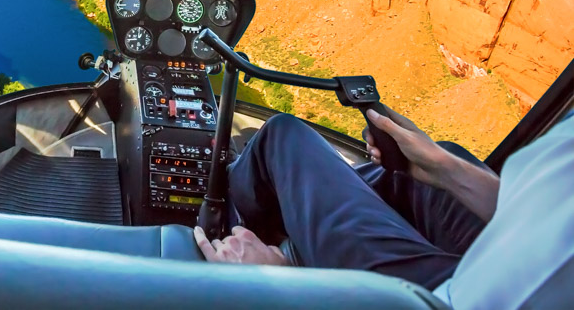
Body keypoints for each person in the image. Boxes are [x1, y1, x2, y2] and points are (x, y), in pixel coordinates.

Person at [193, 106, 574, 309]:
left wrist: (283, 284)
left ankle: (230, 220)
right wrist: (444, 168)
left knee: (283, 137)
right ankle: (312, 229)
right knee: (436, 164)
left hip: (443, 298)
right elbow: (549, 211)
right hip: (509, 257)